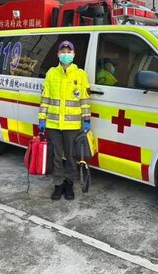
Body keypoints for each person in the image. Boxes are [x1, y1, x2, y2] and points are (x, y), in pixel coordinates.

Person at [38, 40, 91, 200]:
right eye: (63, 51)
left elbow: (85, 99)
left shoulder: (80, 74)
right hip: (53, 124)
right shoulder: (51, 73)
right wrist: (42, 119)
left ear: (73, 54)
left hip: (72, 125)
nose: (66, 54)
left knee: (70, 157)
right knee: (55, 157)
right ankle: (58, 185)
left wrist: (86, 120)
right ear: (58, 54)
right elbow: (45, 98)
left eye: (69, 51)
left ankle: (69, 185)